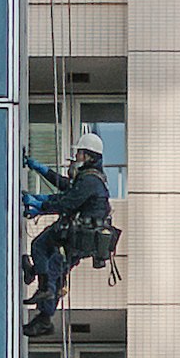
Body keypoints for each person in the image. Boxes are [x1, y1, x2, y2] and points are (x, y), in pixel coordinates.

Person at [23, 143, 115, 335]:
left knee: (45, 254)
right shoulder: (89, 178)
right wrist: (42, 170)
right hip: (79, 238)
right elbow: (66, 186)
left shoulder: (90, 181)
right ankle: (39, 284)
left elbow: (68, 201)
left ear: (88, 156)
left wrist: (41, 204)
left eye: (79, 153)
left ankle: (42, 295)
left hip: (78, 238)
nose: (75, 157)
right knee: (52, 265)